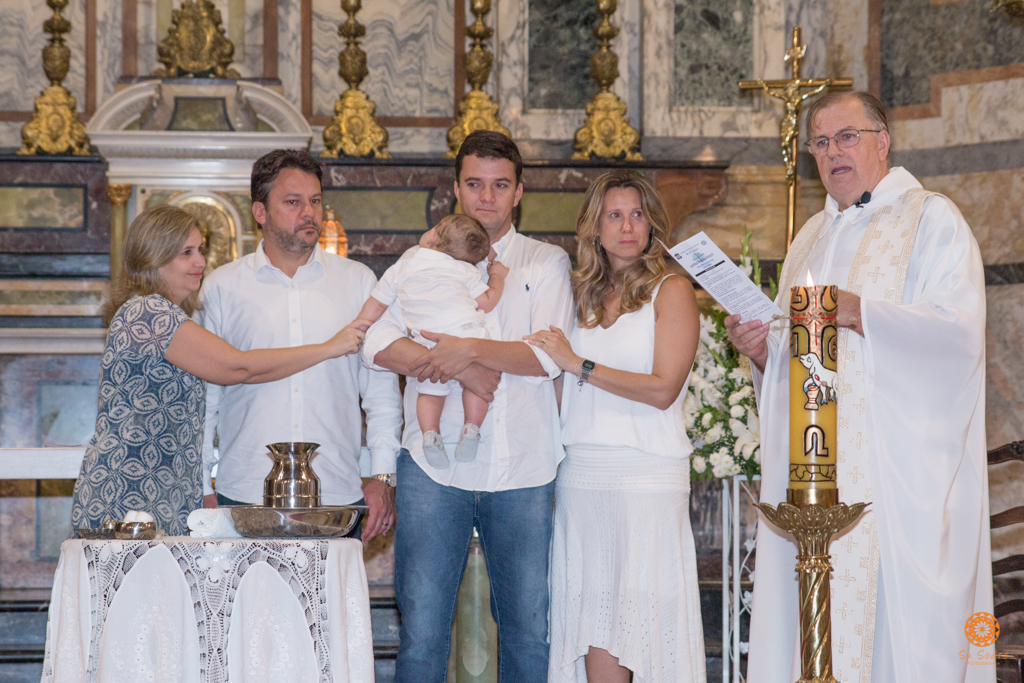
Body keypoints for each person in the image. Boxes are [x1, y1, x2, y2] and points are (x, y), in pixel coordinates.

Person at [728, 91, 992, 682]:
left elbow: (960, 335)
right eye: (820, 142)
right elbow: (795, 366)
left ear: (883, 140)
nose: (832, 152)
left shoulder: (932, 218)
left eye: (846, 136)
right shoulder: (809, 237)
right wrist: (761, 353)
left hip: (895, 477)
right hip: (814, 474)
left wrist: (860, 312)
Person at [361, 130, 574, 682]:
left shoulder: (545, 263)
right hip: (433, 468)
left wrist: (460, 350)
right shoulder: (421, 259)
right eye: (475, 184)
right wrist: (457, 364)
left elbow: (548, 358)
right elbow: (375, 344)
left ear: (519, 191)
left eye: (500, 185)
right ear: (455, 189)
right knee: (423, 633)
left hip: (523, 465)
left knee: (528, 633)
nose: (487, 197)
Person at [70, 204, 364, 536]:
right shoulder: (148, 312)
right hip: (129, 487)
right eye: (186, 253)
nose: (200, 262)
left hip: (163, 485)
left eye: (200, 250)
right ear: (153, 258)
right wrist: (329, 347)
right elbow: (238, 367)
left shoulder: (167, 314)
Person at [524, 170, 705, 683]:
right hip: (583, 476)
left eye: (637, 214)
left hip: (646, 476)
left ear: (651, 223)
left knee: (645, 626)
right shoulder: (576, 293)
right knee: (594, 624)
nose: (627, 227)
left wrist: (577, 363)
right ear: (594, 226)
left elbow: (662, 388)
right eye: (614, 215)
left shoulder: (672, 291)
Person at [197, 149, 402, 542]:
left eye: (315, 201)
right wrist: (203, 485)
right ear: (260, 211)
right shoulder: (223, 288)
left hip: (338, 493)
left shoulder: (358, 282)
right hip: (242, 492)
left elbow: (381, 393)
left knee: (329, 606)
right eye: (292, 202)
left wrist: (382, 476)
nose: (308, 212)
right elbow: (206, 399)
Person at [353, 214, 510, 468]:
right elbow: (488, 302)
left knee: (429, 388)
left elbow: (377, 302)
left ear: (434, 235)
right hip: (467, 335)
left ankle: (429, 433)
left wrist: (359, 325)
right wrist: (498, 276)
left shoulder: (403, 266)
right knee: (480, 383)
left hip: (427, 339)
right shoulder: (465, 269)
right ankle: (471, 427)